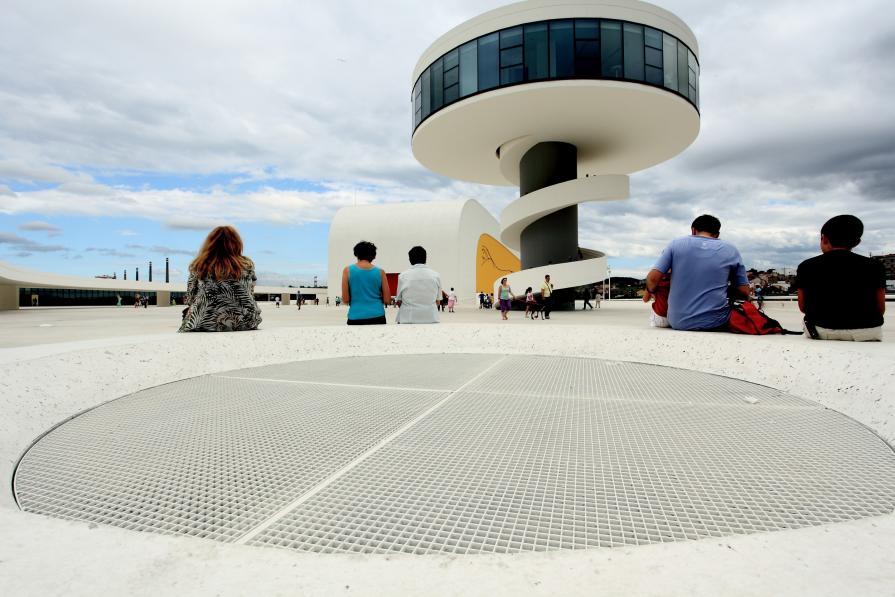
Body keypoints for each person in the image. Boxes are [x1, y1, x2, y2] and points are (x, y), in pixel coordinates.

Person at [645, 214, 750, 331]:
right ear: (717, 234)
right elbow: (744, 291)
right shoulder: (731, 249)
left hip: (678, 322)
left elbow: (652, 279)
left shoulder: (675, 244)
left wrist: (651, 291)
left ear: (693, 230)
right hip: (716, 322)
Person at [796, 215, 885, 341]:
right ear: (857, 242)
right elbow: (880, 309)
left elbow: (802, 307)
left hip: (820, 330)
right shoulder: (875, 266)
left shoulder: (806, 266)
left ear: (824, 238)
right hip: (867, 331)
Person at [179, 225, 262, 332]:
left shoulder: (199, 265)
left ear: (210, 244)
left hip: (205, 322)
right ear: (237, 243)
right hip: (245, 321)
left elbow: (190, 298)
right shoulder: (247, 264)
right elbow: (249, 293)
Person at [341, 240, 390, 325]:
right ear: (373, 256)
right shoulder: (380, 272)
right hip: (378, 315)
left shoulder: (347, 270)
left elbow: (345, 299)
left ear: (356, 254)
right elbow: (387, 300)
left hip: (355, 316)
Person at [395, 245, 441, 324]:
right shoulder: (436, 275)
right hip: (431, 319)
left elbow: (399, 301)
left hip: (408, 319)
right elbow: (438, 302)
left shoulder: (403, 276)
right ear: (425, 258)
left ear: (410, 259)